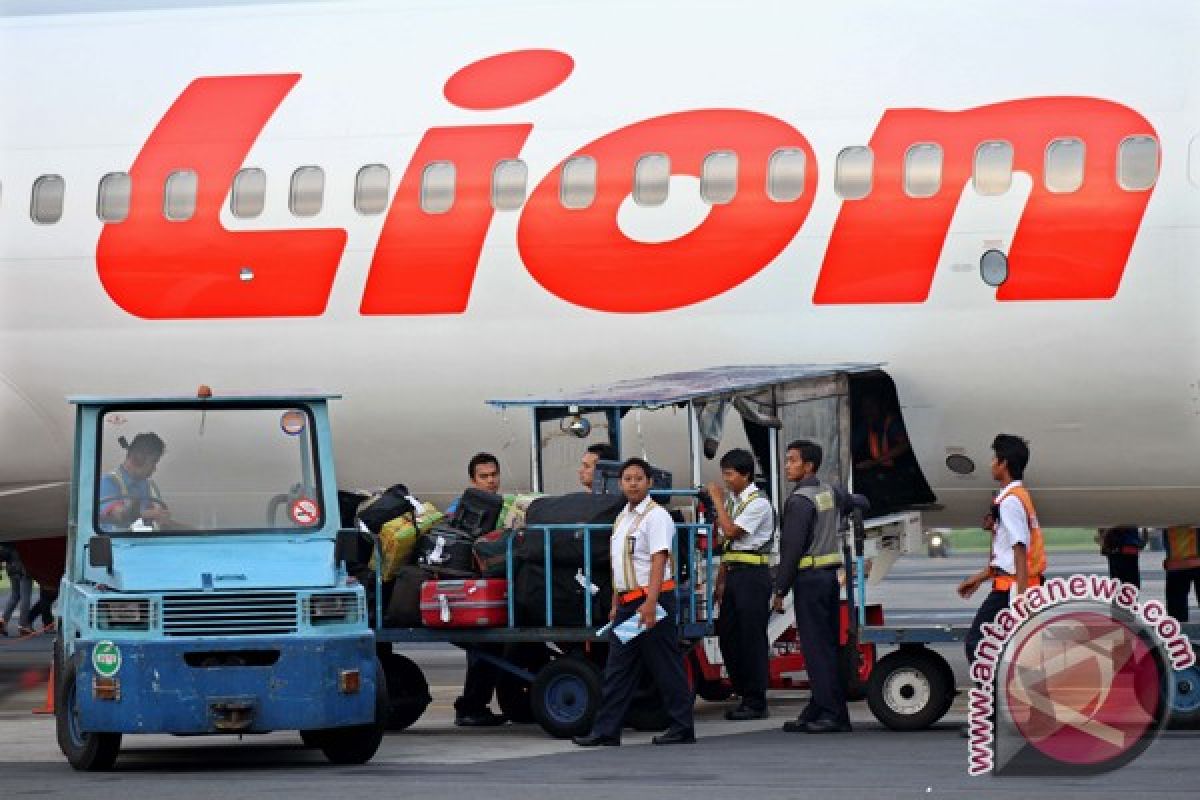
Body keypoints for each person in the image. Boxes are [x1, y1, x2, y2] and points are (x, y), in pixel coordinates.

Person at [574, 457, 695, 746]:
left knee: (665, 665)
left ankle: (682, 727)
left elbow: (658, 559)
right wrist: (617, 601)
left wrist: (651, 603)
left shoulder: (657, 516)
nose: (632, 483)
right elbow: (620, 564)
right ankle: (606, 731)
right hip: (630, 604)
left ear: (649, 482)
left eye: (638, 478)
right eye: (627, 478)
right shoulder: (623, 517)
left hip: (652, 601)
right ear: (620, 483)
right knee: (619, 668)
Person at [771, 440, 851, 734]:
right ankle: (822, 707)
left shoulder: (799, 501)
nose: (786, 465)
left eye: (792, 460)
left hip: (809, 580)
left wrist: (779, 590)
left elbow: (792, 550)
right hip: (829, 579)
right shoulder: (829, 493)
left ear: (808, 466)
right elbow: (860, 501)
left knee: (816, 649)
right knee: (826, 646)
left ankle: (831, 713)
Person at [958, 434, 1046, 667]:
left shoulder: (1010, 501)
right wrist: (978, 578)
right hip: (1011, 585)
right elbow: (1007, 553)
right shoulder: (1015, 497)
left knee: (977, 644)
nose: (991, 464)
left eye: (994, 458)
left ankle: (994, 696)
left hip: (1012, 589)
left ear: (1004, 463)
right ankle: (1003, 693)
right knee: (1010, 648)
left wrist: (1022, 598)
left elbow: (1020, 548)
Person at [707, 448, 775, 720]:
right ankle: (743, 691)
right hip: (735, 574)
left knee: (751, 638)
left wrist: (717, 502)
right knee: (728, 634)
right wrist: (720, 582)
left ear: (746, 475)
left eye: (730, 474)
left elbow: (732, 531)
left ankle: (756, 700)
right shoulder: (735, 503)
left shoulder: (757, 503)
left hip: (753, 575)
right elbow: (727, 546)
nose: (725, 480)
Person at [450, 452, 506, 727]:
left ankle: (478, 704)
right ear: (473, 480)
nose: (491, 481)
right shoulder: (461, 507)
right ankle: (471, 706)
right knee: (484, 647)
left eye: (494, 475)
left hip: (493, 587)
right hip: (469, 589)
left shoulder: (504, 507)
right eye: (484, 476)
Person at [97, 432, 174, 531]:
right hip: (118, 544)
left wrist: (164, 518)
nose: (155, 468)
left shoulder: (151, 486)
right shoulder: (108, 483)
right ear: (137, 459)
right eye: (153, 462)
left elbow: (160, 516)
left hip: (151, 543)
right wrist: (150, 514)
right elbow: (119, 515)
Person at [1163, 526, 1200, 622]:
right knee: (1176, 615)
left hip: (1176, 564)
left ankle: (1178, 634)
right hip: (1177, 565)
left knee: (1177, 616)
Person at [0, 543, 34, 636]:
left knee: (14, 595)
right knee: (25, 597)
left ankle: (3, 620)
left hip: (10, 568)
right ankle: (23, 625)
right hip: (23, 568)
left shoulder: (8, 538)